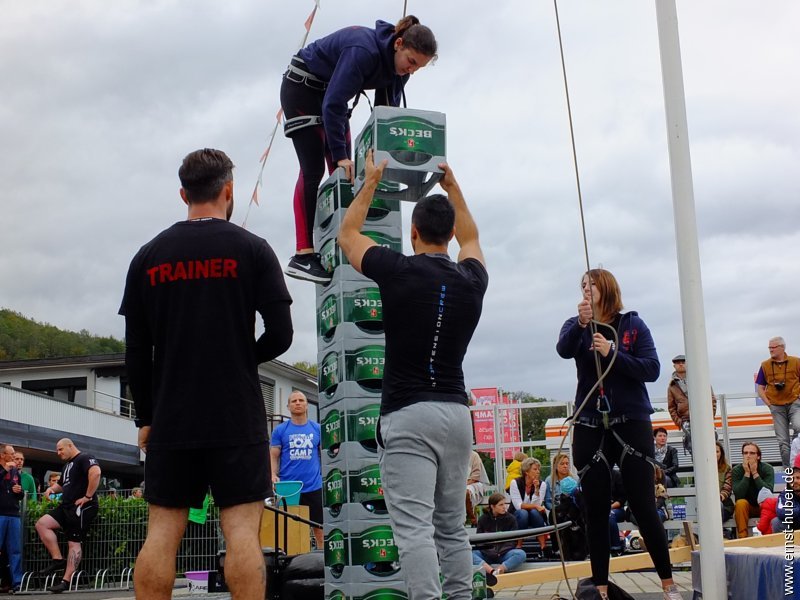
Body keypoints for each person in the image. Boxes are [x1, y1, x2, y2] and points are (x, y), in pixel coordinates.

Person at [119, 148, 294, 600]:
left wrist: (145, 417)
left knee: (162, 533)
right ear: (228, 190)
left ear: (184, 194)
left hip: (172, 416)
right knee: (242, 533)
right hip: (236, 413)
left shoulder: (148, 257)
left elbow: (136, 352)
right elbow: (281, 334)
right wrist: (240, 358)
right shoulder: (253, 249)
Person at [337, 151, 488, 600]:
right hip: (457, 415)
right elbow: (473, 236)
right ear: (449, 235)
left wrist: (371, 181)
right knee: (451, 527)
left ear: (413, 233)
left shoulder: (397, 269)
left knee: (415, 530)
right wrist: (453, 186)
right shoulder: (473, 279)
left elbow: (347, 235)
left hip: (409, 415)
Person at [281, 16, 437, 283]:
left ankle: (341, 244)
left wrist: (391, 155)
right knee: (314, 167)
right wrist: (340, 155)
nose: (411, 70)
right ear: (398, 44)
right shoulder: (363, 51)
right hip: (302, 88)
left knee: (346, 175)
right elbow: (334, 104)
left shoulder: (400, 69)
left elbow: (385, 114)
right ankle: (302, 255)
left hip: (329, 94)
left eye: (418, 68)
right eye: (411, 62)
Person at [556, 268, 680, 600]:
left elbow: (651, 368)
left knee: (643, 505)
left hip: (631, 421)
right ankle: (600, 587)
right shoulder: (575, 326)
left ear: (607, 287)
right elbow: (564, 349)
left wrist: (613, 353)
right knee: (595, 509)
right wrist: (581, 325)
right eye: (582, 285)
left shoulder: (633, 325)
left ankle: (668, 584)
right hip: (590, 422)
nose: (585, 289)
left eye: (591, 284)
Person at [35, 438, 101, 593]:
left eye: (60, 449)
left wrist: (88, 497)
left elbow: (96, 472)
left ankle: (66, 581)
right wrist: (51, 489)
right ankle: (58, 559)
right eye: (57, 450)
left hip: (81, 507)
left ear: (70, 446)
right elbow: (62, 485)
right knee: (42, 524)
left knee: (74, 543)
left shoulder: (85, 457)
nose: (58, 453)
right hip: (66, 506)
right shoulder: (67, 466)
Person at [270, 390, 323, 547]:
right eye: (294, 401)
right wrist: (272, 474)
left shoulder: (317, 429)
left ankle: (322, 560)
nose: (298, 403)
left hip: (314, 486)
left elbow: (327, 455)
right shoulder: (280, 430)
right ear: (288, 406)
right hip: (289, 489)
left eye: (301, 400)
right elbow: (273, 455)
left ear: (307, 405)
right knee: (288, 531)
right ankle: (291, 561)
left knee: (320, 530)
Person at [756, 336, 800, 467]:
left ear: (782, 348)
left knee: (799, 428)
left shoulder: (796, 362)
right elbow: (760, 387)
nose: (770, 350)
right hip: (776, 406)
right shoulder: (765, 365)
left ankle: (797, 465)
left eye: (773, 347)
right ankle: (788, 470)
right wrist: (769, 404)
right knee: (782, 442)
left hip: (794, 403)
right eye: (769, 347)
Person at [666, 354, 717, 456]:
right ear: (674, 366)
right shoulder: (672, 386)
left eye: (683, 362)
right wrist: (679, 422)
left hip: (704, 417)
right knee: (692, 447)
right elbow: (671, 407)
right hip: (685, 419)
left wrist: (710, 417)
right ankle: (697, 464)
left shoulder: (700, 379)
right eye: (678, 363)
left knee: (713, 442)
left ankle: (713, 464)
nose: (681, 364)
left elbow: (712, 399)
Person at [472, 493, 527, 580]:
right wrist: (490, 551)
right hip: (487, 554)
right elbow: (479, 541)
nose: (504, 507)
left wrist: (500, 552)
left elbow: (513, 540)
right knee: (469, 554)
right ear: (492, 506)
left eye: (505, 504)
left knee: (521, 554)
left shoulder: (511, 519)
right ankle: (491, 571)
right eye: (501, 505)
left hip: (504, 554)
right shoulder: (483, 519)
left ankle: (499, 570)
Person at [731, 441, 775, 538]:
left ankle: (769, 539)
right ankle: (743, 539)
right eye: (745, 453)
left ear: (758, 456)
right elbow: (739, 494)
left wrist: (755, 473)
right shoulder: (736, 470)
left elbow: (767, 492)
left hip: (763, 506)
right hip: (747, 508)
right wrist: (747, 473)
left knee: (770, 504)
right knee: (740, 503)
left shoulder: (767, 468)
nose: (748, 456)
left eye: (752, 453)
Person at [508, 457, 549, 556]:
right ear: (526, 472)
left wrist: (536, 489)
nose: (538, 472)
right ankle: (519, 545)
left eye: (538, 469)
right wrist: (535, 506)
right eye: (535, 469)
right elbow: (518, 506)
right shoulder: (515, 483)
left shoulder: (542, 484)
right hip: (518, 515)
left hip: (534, 515)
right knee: (523, 513)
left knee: (534, 512)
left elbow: (538, 505)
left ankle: (543, 547)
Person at [0, 444, 23, 593]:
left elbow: (20, 495)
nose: (14, 456)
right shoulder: (5, 469)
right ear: (3, 455)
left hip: (13, 514)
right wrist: (4, 470)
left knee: (15, 550)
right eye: (12, 453)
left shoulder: (15, 471)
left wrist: (19, 491)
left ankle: (17, 583)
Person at [773, 466, 800, 533]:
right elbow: (781, 512)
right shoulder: (784, 494)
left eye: (798, 478)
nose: (795, 481)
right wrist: (798, 509)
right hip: (793, 526)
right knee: (776, 522)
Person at [466, 451, 489, 526]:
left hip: (474, 483)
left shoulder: (474, 455)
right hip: (458, 484)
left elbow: (475, 477)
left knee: (466, 492)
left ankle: (472, 517)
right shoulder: (452, 455)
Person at [716, 442, 734, 523]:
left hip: (725, 506)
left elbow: (727, 488)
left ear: (721, 453)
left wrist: (717, 499)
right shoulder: (702, 470)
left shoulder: (727, 469)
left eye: (717, 451)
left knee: (717, 508)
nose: (715, 454)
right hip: (706, 506)